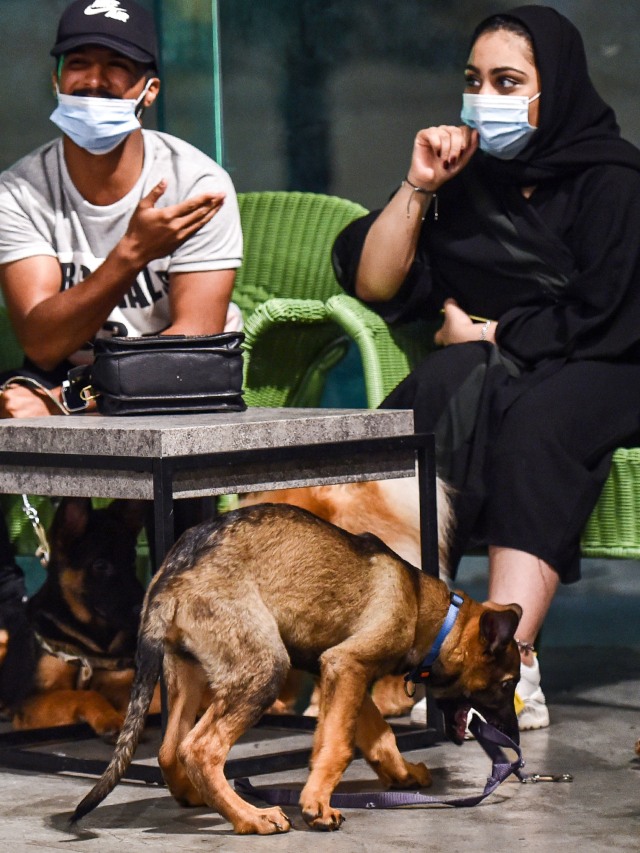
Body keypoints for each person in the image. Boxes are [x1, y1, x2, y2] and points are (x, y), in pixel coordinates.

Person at [332, 4, 640, 730]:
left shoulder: (615, 180)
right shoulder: (467, 176)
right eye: (474, 80)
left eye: (507, 81)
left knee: (541, 420)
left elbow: (612, 311)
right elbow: (375, 281)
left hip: (610, 361)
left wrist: (500, 329)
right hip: (502, 365)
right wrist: (420, 185)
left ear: (554, 88)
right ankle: (393, 642)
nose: (484, 98)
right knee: (440, 386)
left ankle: (509, 662)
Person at [0, 0, 243, 416]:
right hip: (61, 373)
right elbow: (42, 344)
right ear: (56, 82)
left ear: (149, 90)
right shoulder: (19, 192)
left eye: (117, 65)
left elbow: (195, 342)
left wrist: (70, 402)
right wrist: (133, 251)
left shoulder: (197, 185)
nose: (94, 80)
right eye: (78, 63)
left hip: (179, 381)